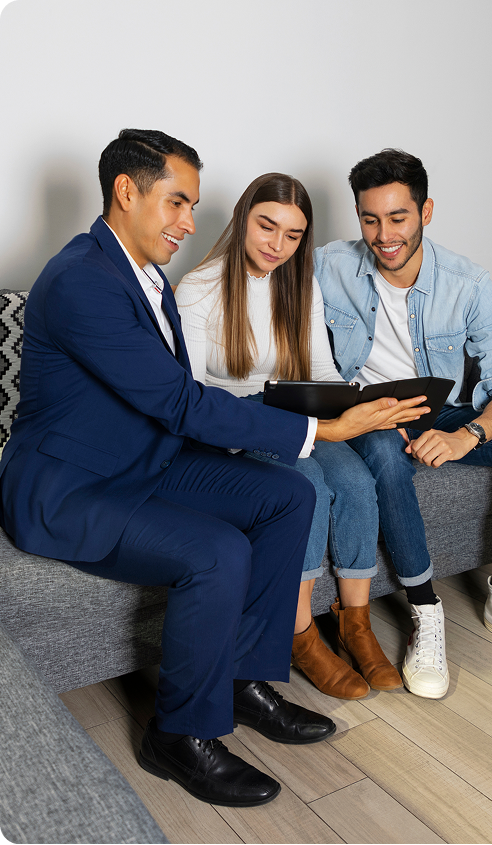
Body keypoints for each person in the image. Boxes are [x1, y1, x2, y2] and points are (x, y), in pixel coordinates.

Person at [0, 130, 426, 809]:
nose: (189, 224)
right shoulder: (82, 278)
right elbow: (179, 401)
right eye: (176, 203)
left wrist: (318, 426)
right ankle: (178, 735)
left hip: (144, 461)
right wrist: (321, 427)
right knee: (218, 549)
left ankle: (243, 681)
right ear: (126, 191)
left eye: (193, 206)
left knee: (289, 495)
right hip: (73, 489)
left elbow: (167, 405)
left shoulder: (141, 270)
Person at [314, 148, 492, 700]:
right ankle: (425, 611)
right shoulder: (328, 265)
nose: (384, 234)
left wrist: (464, 435)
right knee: (382, 452)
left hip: (445, 409)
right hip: (369, 413)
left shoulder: (469, 284)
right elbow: (256, 278)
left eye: (398, 217)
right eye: (370, 218)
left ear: (426, 212)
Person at [176, 173, 419, 700]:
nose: (277, 246)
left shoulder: (298, 283)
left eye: (292, 236)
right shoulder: (197, 290)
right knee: (305, 484)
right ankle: (300, 634)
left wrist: (358, 402)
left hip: (296, 413)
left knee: (355, 481)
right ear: (243, 218)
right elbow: (191, 397)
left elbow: (323, 370)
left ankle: (356, 624)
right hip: (238, 423)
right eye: (267, 226)